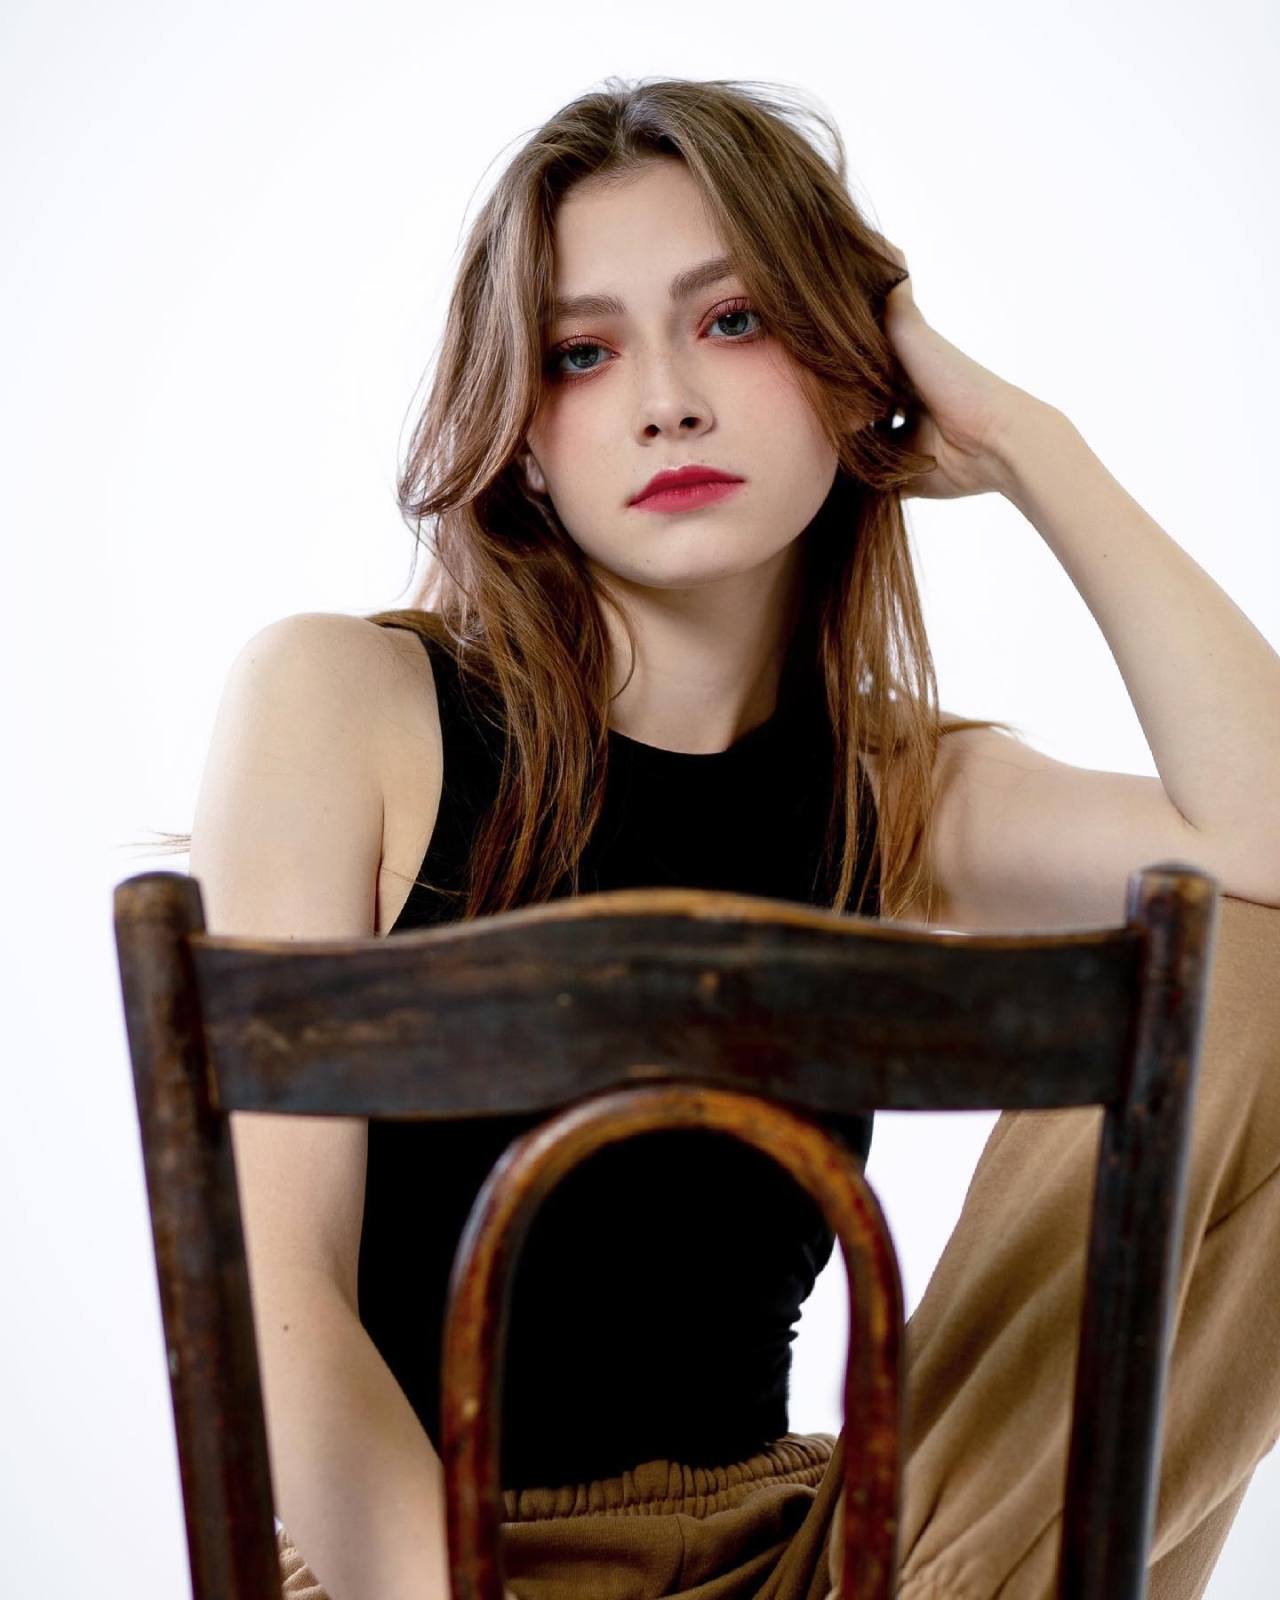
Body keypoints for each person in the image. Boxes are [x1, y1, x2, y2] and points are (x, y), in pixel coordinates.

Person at [181, 76, 1280, 1600]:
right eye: (582, 353)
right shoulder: (342, 703)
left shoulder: (896, 785)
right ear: (520, 439)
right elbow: (274, 1293)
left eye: (736, 320)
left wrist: (1034, 447)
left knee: (1256, 976)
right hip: (441, 1565)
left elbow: (1264, 852)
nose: (667, 401)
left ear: (851, 367)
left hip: (816, 1559)